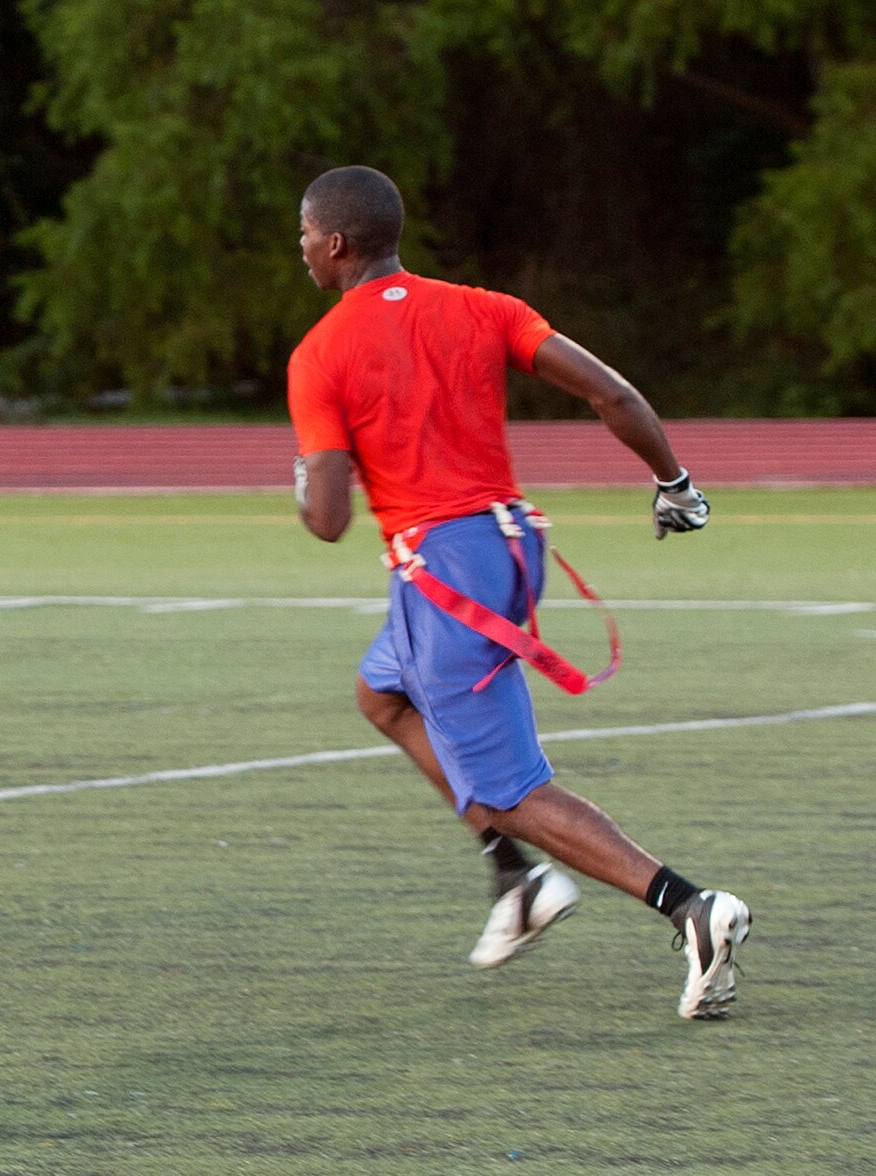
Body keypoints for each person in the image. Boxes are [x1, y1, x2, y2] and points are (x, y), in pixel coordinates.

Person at [286, 165, 750, 1020]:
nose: (302, 249)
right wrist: (674, 483)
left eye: (307, 235)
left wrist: (304, 471)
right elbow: (609, 391)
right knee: (381, 694)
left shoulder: (319, 354)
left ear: (338, 243)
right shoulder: (482, 306)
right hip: (510, 544)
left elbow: (325, 520)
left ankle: (690, 906)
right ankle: (517, 877)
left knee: (509, 789)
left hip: (443, 572)